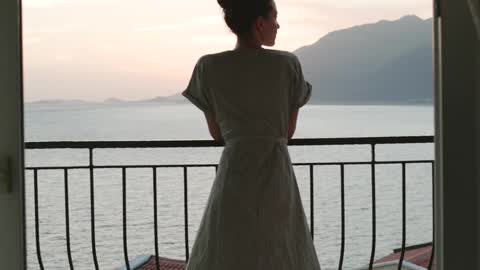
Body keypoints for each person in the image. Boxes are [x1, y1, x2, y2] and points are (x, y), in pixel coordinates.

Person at [181, 0, 321, 269]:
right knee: (281, 246)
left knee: (228, 246)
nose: (277, 24)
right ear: (259, 23)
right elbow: (288, 131)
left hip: (234, 171)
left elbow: (217, 133)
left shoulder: (207, 66)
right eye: (274, 18)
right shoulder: (288, 64)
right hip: (275, 170)